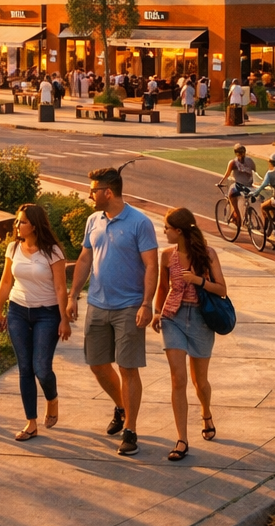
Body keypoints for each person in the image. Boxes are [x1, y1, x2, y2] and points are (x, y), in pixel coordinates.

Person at [67, 166, 159, 456]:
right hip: (97, 304)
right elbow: (84, 259)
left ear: (108, 192)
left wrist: (146, 303)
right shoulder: (93, 220)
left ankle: (130, 429)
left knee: (128, 368)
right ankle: (121, 406)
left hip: (129, 307)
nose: (90, 194)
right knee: (97, 364)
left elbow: (152, 266)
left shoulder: (139, 223)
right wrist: (72, 296)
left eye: (93, 190)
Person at [152, 208, 227, 460]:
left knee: (200, 382)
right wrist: (155, 312)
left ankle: (206, 412)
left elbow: (222, 289)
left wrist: (198, 280)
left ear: (179, 231)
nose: (164, 232)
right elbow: (162, 287)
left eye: (167, 228)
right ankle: (182, 439)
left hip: (200, 321)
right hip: (172, 318)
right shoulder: (165, 256)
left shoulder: (208, 254)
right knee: (178, 378)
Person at [0, 204, 72, 440]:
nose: (18, 225)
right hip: (18, 311)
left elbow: (60, 288)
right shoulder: (13, 248)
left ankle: (52, 398)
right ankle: (31, 423)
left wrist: (64, 319)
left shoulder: (53, 252)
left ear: (35, 225)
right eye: (17, 221)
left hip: (47, 314)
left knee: (42, 368)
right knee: (25, 368)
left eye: (23, 222)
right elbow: (6, 281)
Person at [219, 143, 258, 216]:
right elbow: (254, 173)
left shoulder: (233, 163)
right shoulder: (250, 161)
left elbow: (227, 174)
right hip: (250, 186)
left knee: (231, 195)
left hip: (239, 186)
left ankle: (238, 215)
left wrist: (220, 183)